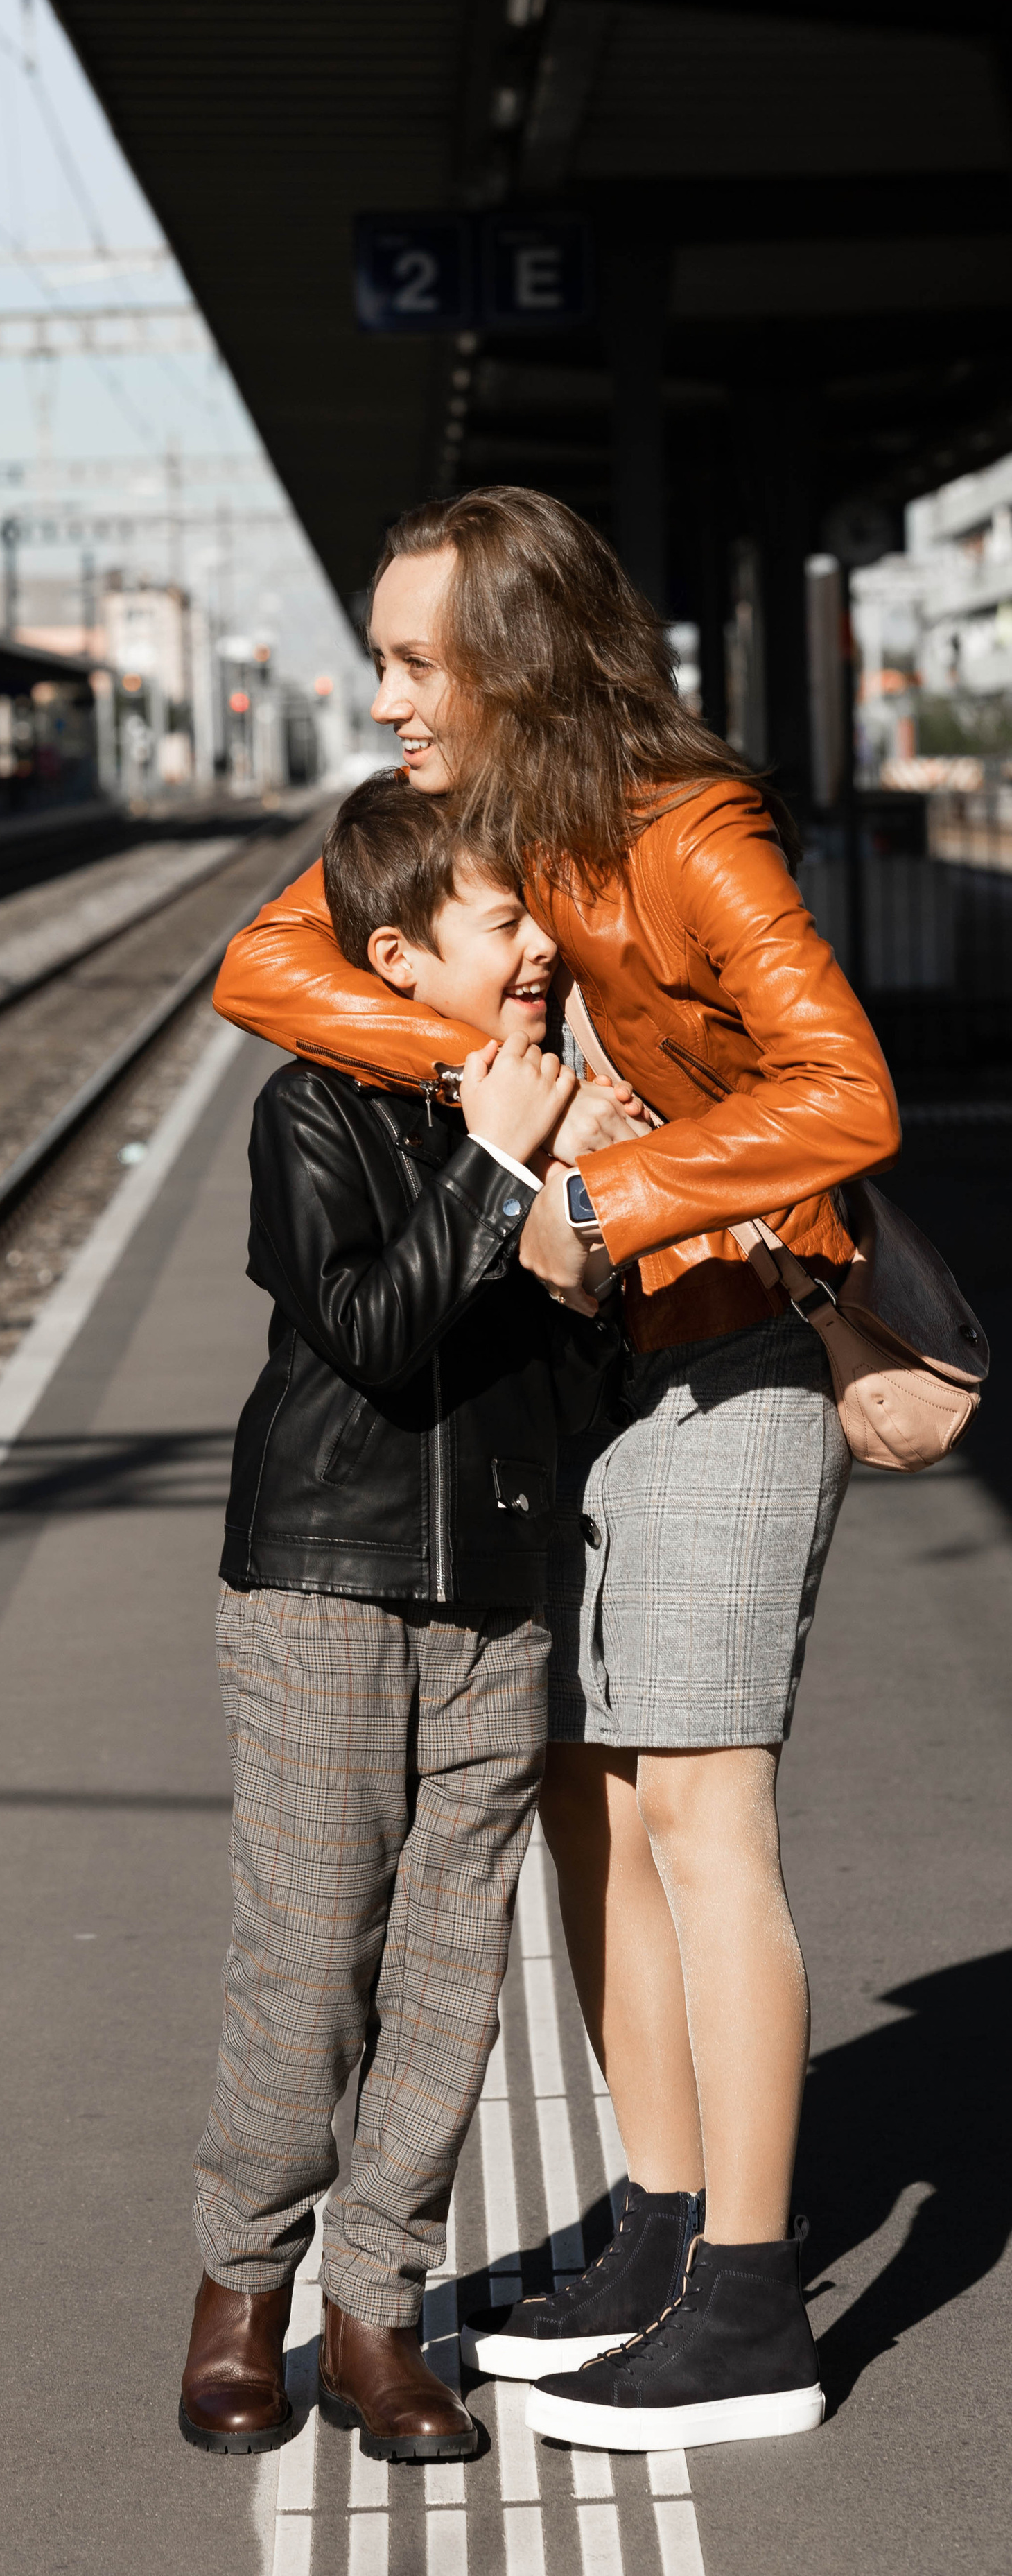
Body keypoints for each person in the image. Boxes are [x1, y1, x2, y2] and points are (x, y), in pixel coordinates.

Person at [211, 487, 898, 2453]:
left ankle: (747, 2305)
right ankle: (662, 2226)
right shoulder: (501, 830)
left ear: (514, 658)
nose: (386, 696)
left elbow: (843, 1089)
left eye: (415, 661)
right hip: (603, 1386)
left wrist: (598, 1188)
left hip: (728, 1344)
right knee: (597, 1811)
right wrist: (479, 1083)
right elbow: (268, 966)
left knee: (699, 1810)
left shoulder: (686, 833)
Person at [180, 777, 631, 2463]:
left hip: (495, 1585)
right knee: (310, 1959)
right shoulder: (308, 1111)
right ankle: (242, 2294)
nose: (538, 952)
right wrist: (501, 1165)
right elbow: (369, 1328)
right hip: (324, 1572)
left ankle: (376, 2310)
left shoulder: (548, 1105)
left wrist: (587, 1243)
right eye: (503, 923)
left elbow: (570, 1389)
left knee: (450, 1971)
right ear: (396, 957)